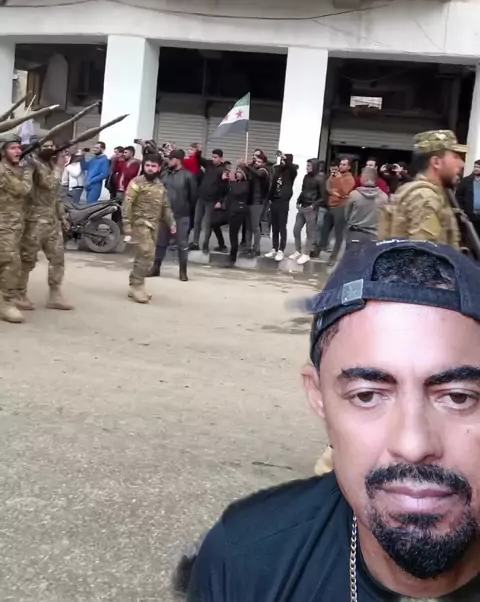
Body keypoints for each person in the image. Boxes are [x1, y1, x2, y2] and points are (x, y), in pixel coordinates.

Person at [186, 240, 480, 601]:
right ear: (319, 396)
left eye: (459, 397)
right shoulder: (245, 562)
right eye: (367, 395)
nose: (414, 445)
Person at [378, 130, 465, 248]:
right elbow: (425, 253)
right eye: (455, 157)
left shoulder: (411, 191)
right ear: (436, 162)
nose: (461, 164)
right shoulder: (425, 198)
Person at [17, 139, 72, 311]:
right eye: (45, 146)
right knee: (27, 259)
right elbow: (49, 184)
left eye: (52, 146)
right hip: (34, 220)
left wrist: (62, 216)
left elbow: (56, 195)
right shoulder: (32, 164)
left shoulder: (51, 164)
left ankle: (55, 294)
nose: (49, 149)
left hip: (52, 220)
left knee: (57, 258)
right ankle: (19, 294)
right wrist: (60, 167)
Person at [123, 153, 175, 303]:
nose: (150, 169)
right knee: (146, 253)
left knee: (144, 256)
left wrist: (171, 222)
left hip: (154, 225)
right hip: (139, 224)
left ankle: (135, 284)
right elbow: (127, 204)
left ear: (158, 168)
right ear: (143, 166)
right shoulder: (136, 183)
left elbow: (165, 206)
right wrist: (126, 224)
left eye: (153, 166)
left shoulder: (160, 185)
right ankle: (137, 286)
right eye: (147, 165)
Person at [150, 149, 197, 282]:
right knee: (160, 243)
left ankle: (183, 272)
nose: (168, 161)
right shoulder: (164, 174)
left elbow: (193, 197)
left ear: (178, 160)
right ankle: (156, 268)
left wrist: (187, 212)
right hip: (164, 215)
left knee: (182, 244)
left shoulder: (188, 176)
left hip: (182, 215)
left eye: (170, 159)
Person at [0, 135, 33, 323]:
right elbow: (22, 190)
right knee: (11, 263)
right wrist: (28, 171)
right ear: (3, 151)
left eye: (19, 148)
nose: (18, 151)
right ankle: (6, 303)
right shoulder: (2, 171)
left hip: (14, 225)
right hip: (4, 226)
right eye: (12, 148)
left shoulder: (14, 169)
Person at [316, 157, 355, 265]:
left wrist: (339, 182)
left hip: (341, 207)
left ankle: (333, 257)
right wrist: (334, 192)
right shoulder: (335, 175)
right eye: (340, 164)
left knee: (338, 233)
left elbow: (344, 192)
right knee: (324, 229)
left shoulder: (349, 178)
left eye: (344, 164)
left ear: (348, 167)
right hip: (331, 206)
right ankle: (319, 248)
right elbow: (328, 187)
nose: (341, 166)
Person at [191, 147, 227, 254]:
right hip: (201, 198)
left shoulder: (223, 170)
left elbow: (225, 189)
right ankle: (195, 243)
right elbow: (199, 159)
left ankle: (205, 244)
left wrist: (220, 201)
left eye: (215, 157)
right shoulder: (209, 164)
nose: (213, 159)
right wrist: (199, 151)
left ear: (221, 158)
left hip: (211, 201)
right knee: (196, 221)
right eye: (212, 156)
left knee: (207, 224)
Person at [290, 158, 326, 265]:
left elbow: (323, 197)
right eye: (307, 165)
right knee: (296, 229)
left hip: (311, 209)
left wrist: (313, 205)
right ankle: (298, 250)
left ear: (314, 166)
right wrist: (298, 201)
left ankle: (306, 254)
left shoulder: (320, 179)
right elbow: (303, 190)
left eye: (309, 166)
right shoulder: (306, 177)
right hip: (303, 206)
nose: (307, 168)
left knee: (309, 232)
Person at [344, 166, 388, 251]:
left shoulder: (354, 195)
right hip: (374, 235)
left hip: (355, 233)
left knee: (352, 257)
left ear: (364, 178)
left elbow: (346, 215)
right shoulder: (384, 197)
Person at [265, 153, 298, 262]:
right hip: (274, 200)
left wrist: (285, 158)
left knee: (282, 226)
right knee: (274, 226)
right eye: (282, 160)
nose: (282, 162)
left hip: (283, 201)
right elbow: (273, 185)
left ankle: (281, 250)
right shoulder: (278, 170)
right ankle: (274, 248)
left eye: (284, 160)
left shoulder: (292, 172)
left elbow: (291, 167)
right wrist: (269, 198)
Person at [215, 166, 250, 266]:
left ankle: (232, 259)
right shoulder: (234, 183)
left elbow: (236, 192)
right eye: (236, 172)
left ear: (244, 174)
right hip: (229, 211)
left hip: (238, 212)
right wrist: (224, 180)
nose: (237, 174)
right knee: (214, 222)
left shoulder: (245, 184)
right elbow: (224, 190)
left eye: (239, 172)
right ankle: (222, 244)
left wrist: (232, 181)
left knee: (233, 235)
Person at [243, 151, 270, 258]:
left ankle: (256, 248)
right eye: (256, 161)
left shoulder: (264, 171)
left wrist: (248, 166)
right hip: (249, 201)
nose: (257, 163)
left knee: (255, 227)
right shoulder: (253, 170)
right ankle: (247, 247)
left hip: (257, 202)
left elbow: (258, 174)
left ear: (264, 163)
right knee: (248, 227)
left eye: (259, 161)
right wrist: (245, 165)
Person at [456, 159, 480, 237]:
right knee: (470, 237)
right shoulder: (465, 181)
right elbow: (458, 197)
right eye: (475, 167)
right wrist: (462, 211)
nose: (476, 169)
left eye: (478, 167)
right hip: (469, 216)